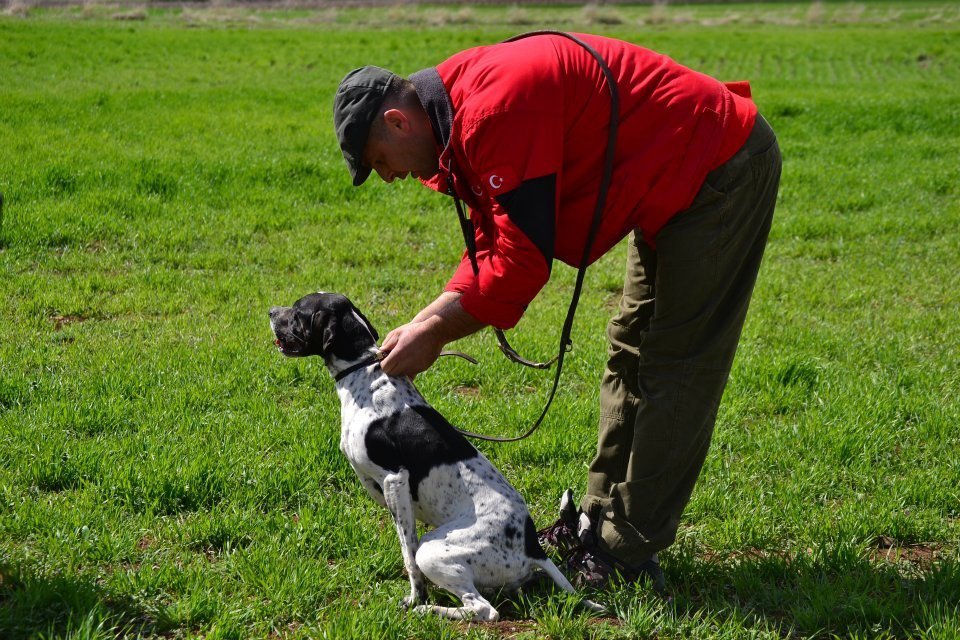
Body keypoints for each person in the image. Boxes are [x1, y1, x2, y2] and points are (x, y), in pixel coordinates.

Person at [332, 32, 781, 592]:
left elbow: (521, 265)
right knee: (630, 346)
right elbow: (493, 245)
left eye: (379, 162)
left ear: (398, 122)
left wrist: (439, 333)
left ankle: (626, 553)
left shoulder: (493, 108)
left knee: (677, 366)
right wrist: (426, 321)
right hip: (668, 177)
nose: (391, 176)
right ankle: (595, 520)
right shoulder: (452, 114)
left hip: (718, 165)